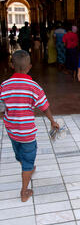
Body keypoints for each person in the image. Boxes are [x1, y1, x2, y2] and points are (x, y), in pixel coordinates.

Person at [0, 50, 59, 202]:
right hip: (27, 133)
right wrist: (52, 121)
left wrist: (7, 118)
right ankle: (24, 191)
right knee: (27, 161)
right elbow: (44, 106)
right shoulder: (33, 86)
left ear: (11, 65)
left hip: (12, 131)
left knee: (19, 155)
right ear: (30, 66)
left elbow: (1, 109)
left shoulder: (4, 86)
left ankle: (28, 167)